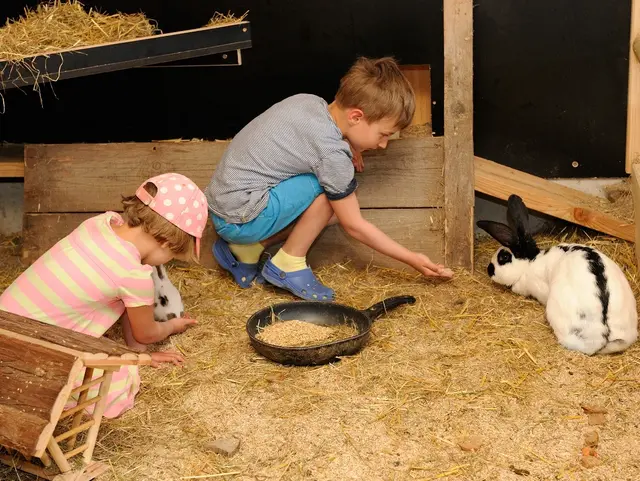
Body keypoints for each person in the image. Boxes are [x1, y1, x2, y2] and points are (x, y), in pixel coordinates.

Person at [205, 56, 453, 302]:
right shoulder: (332, 156)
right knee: (331, 193)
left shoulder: (309, 102)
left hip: (225, 207)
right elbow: (355, 226)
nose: (383, 144)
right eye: (383, 134)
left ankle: (246, 250)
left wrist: (348, 144)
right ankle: (288, 264)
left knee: (334, 206)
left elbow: (311, 143)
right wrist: (412, 258)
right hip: (242, 217)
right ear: (356, 117)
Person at [0, 173, 207, 418]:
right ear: (165, 242)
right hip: (26, 355)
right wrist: (171, 326)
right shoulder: (133, 274)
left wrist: (136, 351)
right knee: (117, 386)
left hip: (6, 323)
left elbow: (127, 304)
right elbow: (147, 332)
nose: (167, 263)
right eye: (172, 257)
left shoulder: (99, 224)